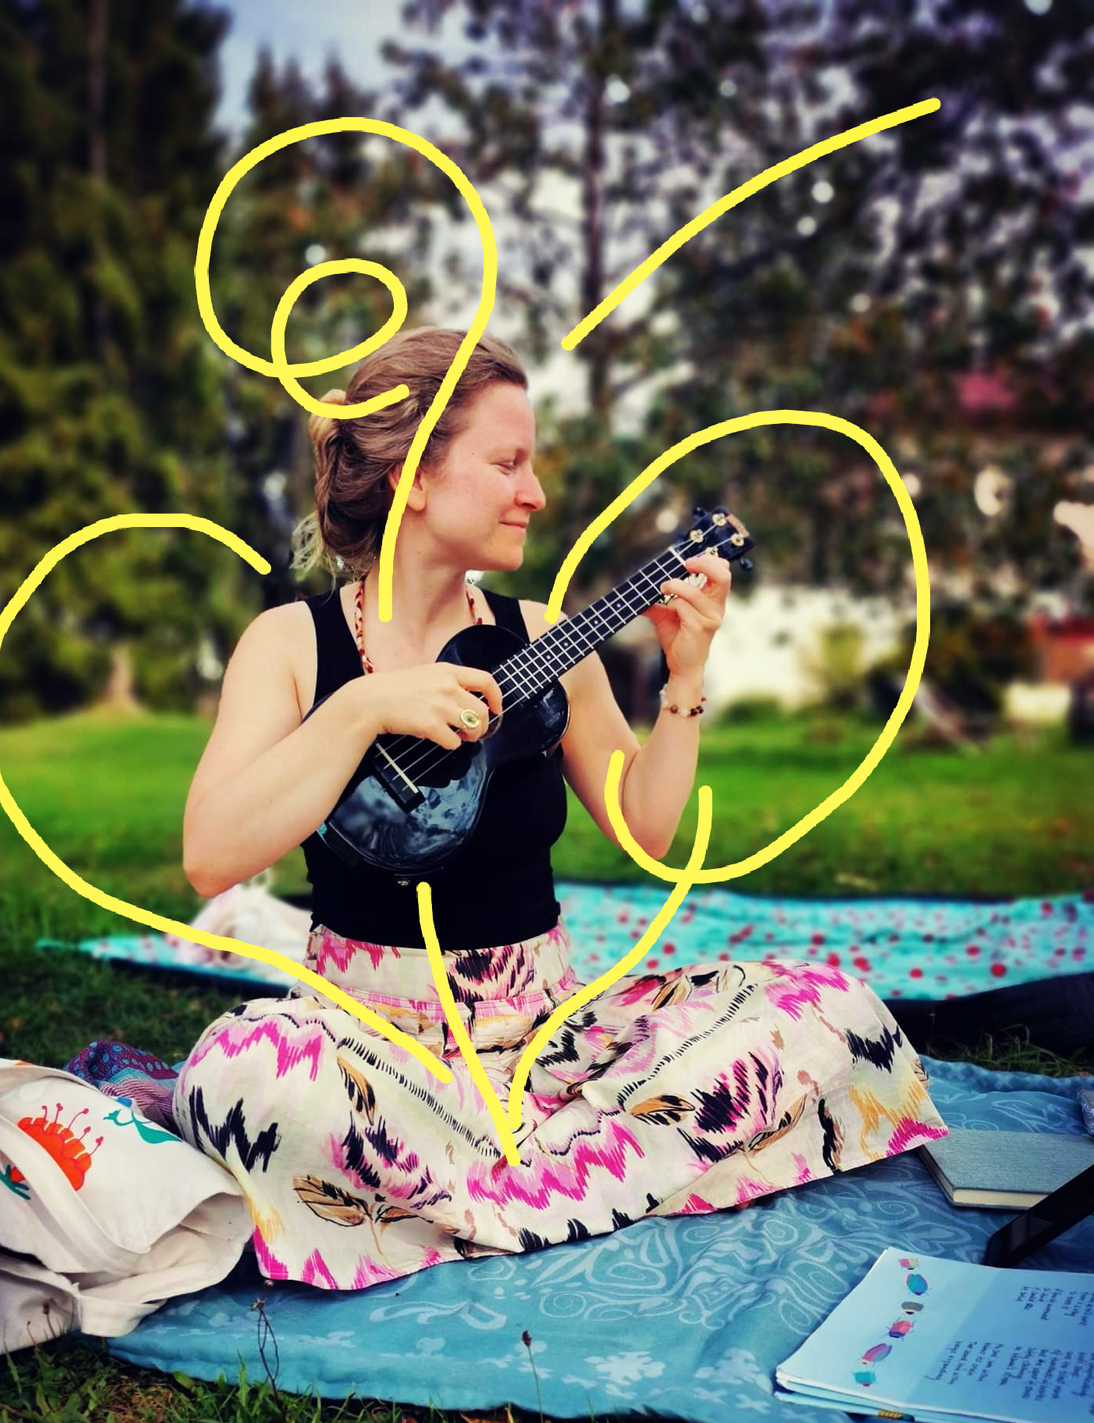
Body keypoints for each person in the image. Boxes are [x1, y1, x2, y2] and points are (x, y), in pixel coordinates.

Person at [177, 326, 947, 1290]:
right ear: (414, 477)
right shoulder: (291, 644)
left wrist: (684, 677)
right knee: (244, 1070)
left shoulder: (542, 637)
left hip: (550, 1044)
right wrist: (360, 708)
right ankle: (584, 1182)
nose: (534, 493)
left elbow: (645, 830)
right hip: (368, 1047)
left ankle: (472, 1196)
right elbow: (210, 857)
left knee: (828, 1009)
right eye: (507, 463)